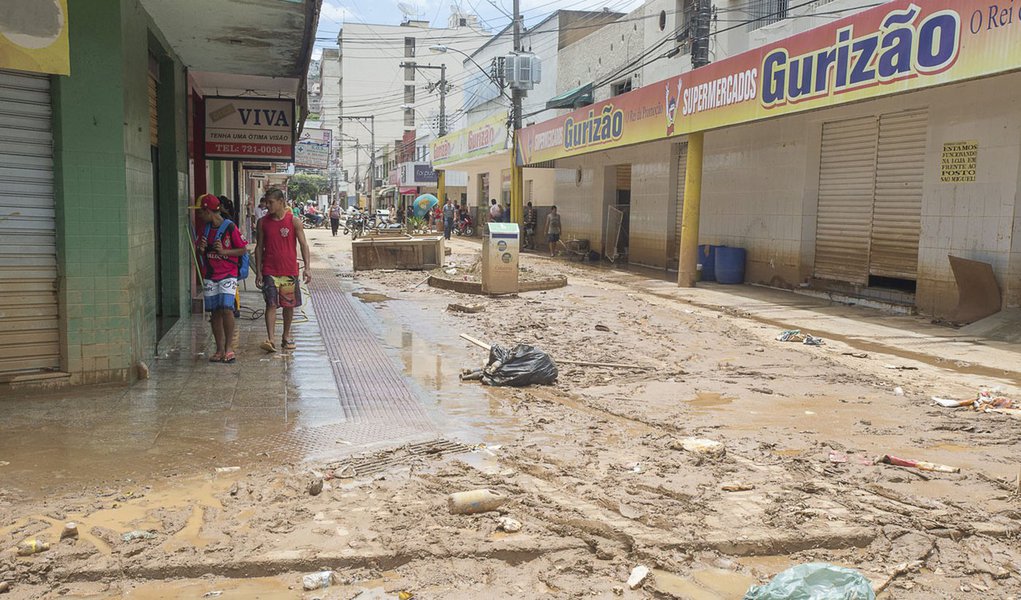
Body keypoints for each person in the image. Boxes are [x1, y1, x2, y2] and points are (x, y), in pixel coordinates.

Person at [256, 188, 312, 353]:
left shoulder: (293, 221)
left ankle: (286, 336)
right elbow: (259, 247)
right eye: (266, 202)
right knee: (271, 304)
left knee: (289, 304)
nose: (267, 206)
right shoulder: (262, 222)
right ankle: (271, 338)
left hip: (289, 271)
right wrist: (259, 271)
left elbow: (304, 245)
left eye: (271, 202)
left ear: (281, 201)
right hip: (269, 270)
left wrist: (307, 268)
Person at [193, 194, 247, 363]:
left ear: (208, 211)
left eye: (201, 212)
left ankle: (229, 348)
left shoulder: (230, 227)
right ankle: (219, 349)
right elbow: (197, 253)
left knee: (226, 308)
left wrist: (224, 251)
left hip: (228, 273)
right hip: (210, 274)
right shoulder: (205, 229)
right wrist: (201, 250)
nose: (199, 216)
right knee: (215, 312)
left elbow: (242, 250)